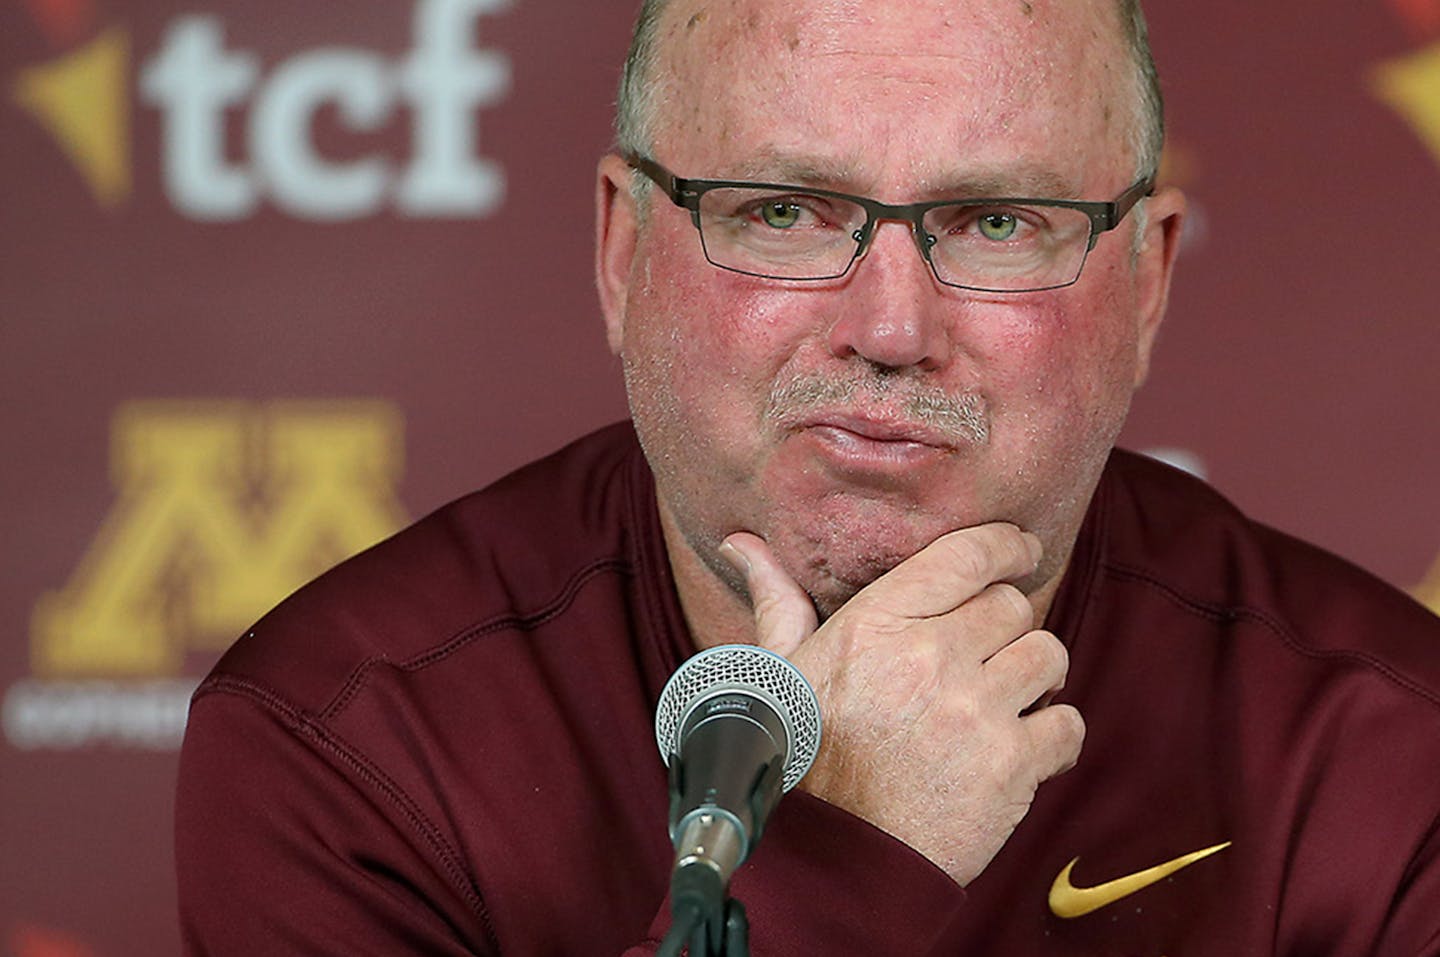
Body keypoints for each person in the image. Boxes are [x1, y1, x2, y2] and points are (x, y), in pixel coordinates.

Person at [174, 0, 1440, 953]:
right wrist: (850, 857)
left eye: (998, 221)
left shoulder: (1390, 756)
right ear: (624, 254)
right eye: (783, 210)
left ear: (1150, 281)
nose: (891, 326)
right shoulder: (353, 747)